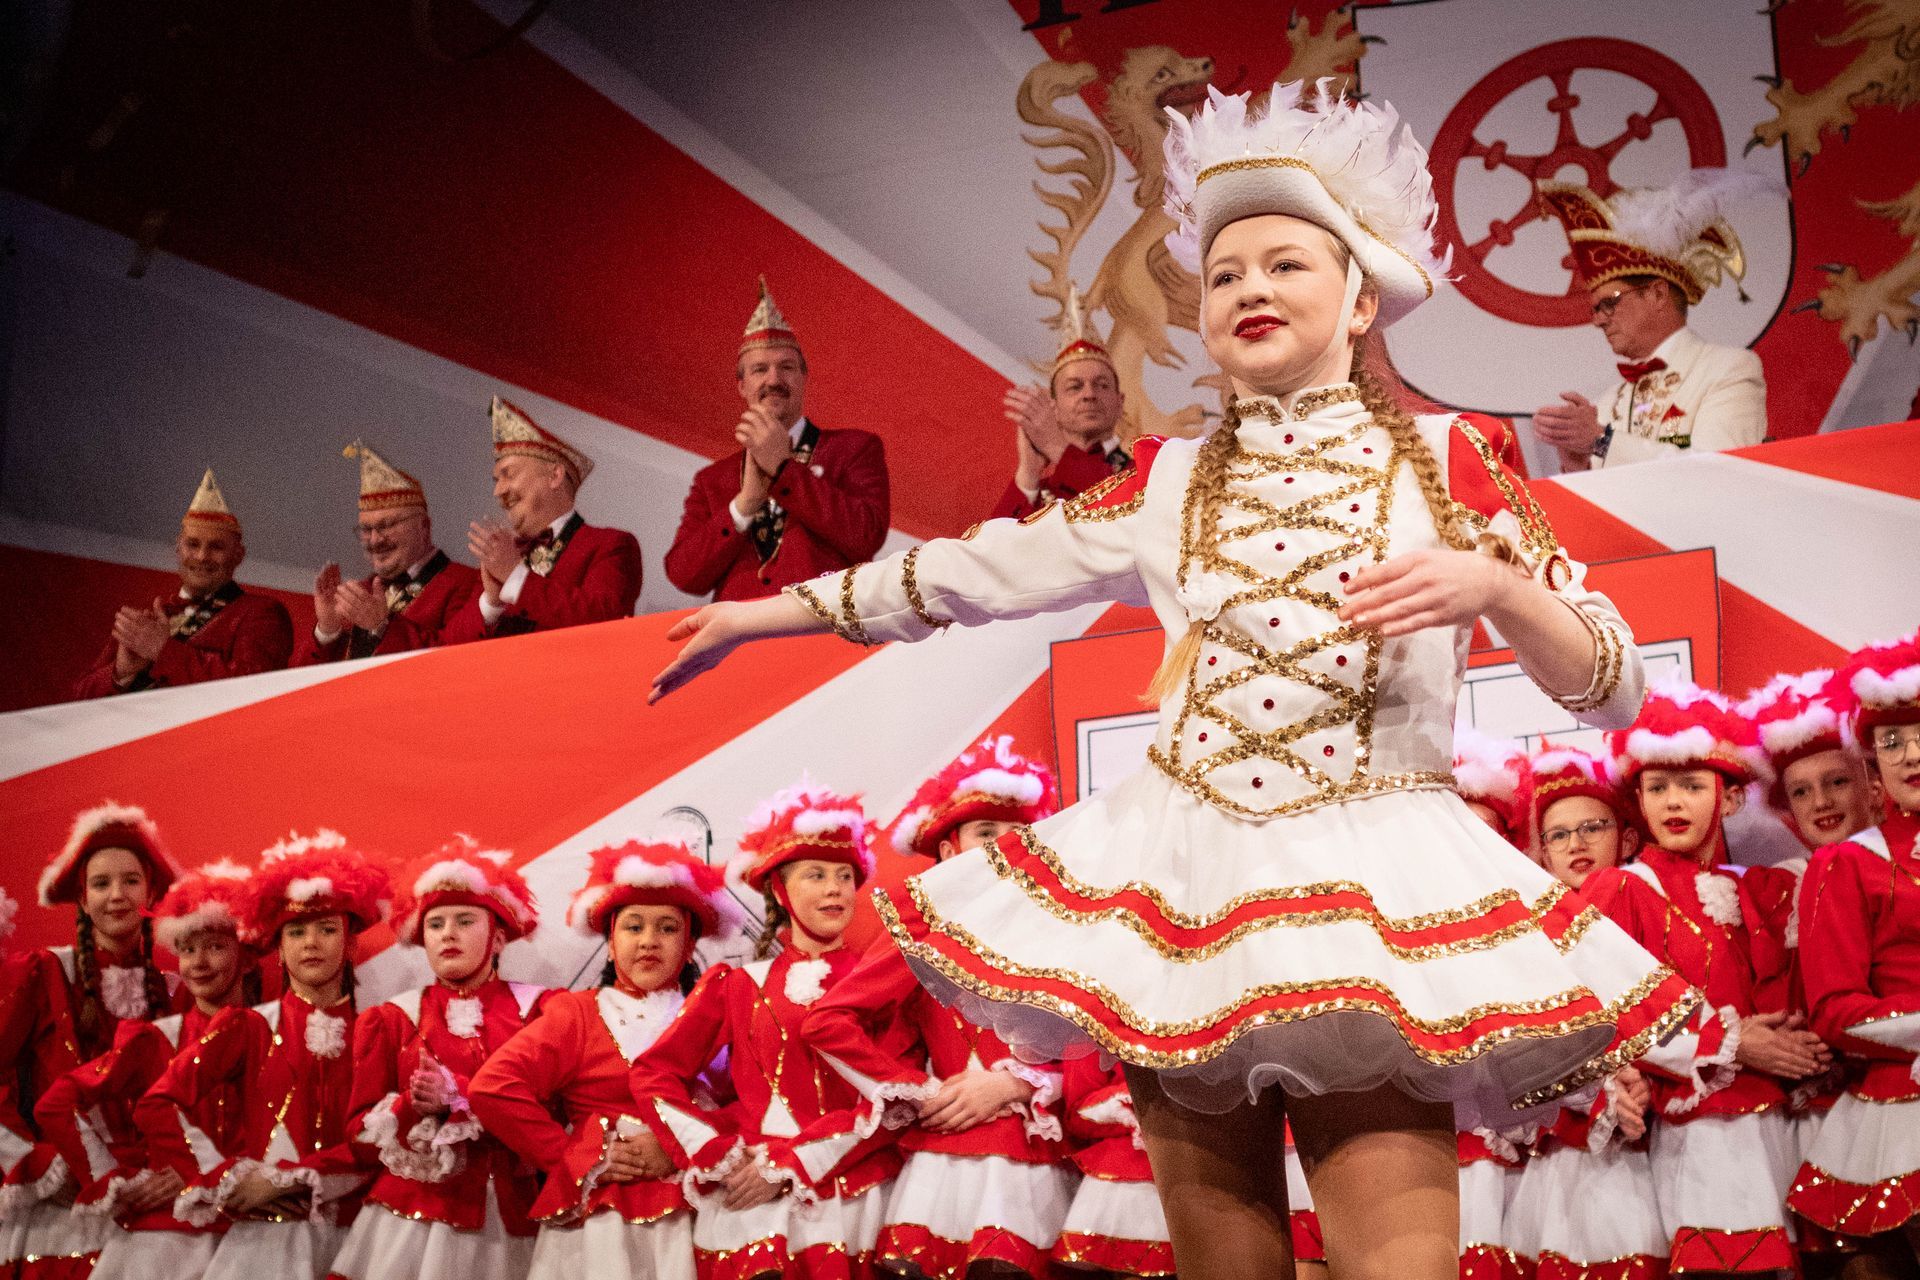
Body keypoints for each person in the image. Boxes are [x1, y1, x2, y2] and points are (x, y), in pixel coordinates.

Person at [648, 81, 1688, 1280]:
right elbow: (971, 571)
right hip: (1185, 892)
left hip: (1373, 887)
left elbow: (1616, 688)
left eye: (1285, 264)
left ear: (1360, 300)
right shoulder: (1167, 479)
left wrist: (1497, 587)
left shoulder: (1457, 458)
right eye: (1225, 273)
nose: (1248, 288)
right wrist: (757, 611)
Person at [801, 736, 1076, 1278]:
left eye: (1019, 832)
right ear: (949, 852)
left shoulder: (1065, 928)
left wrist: (1018, 1084)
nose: (1005, 845)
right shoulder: (919, 927)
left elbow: (1105, 1042)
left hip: (1041, 1152)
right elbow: (829, 1021)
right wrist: (915, 1091)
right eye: (985, 832)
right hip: (944, 1164)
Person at [1586, 681, 1828, 1276]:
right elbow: (1605, 1017)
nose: (1674, 801)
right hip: (1694, 1128)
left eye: (1692, 786)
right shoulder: (1622, 889)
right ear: (1638, 801)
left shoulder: (1764, 889)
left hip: (1779, 1121)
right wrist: (1731, 1042)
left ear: (1731, 798)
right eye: (1658, 787)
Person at [629, 784, 900, 1279]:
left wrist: (794, 1163)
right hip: (753, 1198)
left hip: (857, 1196)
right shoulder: (737, 985)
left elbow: (898, 1098)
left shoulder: (882, 981)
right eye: (816, 875)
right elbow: (653, 1073)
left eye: (845, 876)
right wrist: (713, 1152)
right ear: (779, 890)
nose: (836, 889)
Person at [470, 840, 745, 1279]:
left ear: (690, 944)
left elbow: (756, 1105)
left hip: (704, 1210)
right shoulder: (578, 1014)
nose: (649, 941)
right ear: (612, 945)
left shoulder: (719, 1017)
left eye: (667, 928)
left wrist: (681, 1146)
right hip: (605, 1223)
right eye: (633, 927)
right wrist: (581, 1157)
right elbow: (494, 1088)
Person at [147, 831, 391, 1280]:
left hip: (360, 1237)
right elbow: (159, 1103)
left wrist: (291, 1179)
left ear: (350, 944)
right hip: (267, 1244)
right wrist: (223, 1178)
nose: (310, 943)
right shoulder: (248, 1025)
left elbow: (378, 1140)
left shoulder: (378, 1030)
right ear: (278, 950)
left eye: (327, 929)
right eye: (296, 932)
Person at [327, 838, 552, 1280]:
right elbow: (359, 1137)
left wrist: (461, 1096)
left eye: (465, 921)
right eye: (436, 924)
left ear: (498, 937)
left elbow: (557, 1113)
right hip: (410, 1225)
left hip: (512, 1220)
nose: (448, 933)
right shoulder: (391, 1018)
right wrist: (411, 1106)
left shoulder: (541, 1011)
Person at [37, 862, 258, 1280]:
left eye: (215, 946)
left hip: (254, 1226)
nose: (198, 962)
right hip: (169, 1239)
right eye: (187, 950)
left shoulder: (272, 1033)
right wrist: (111, 1182)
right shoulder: (156, 1039)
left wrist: (213, 1173)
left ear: (246, 957)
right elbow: (56, 1103)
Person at [1503, 744, 1668, 1280]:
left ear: (1627, 839)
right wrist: (1602, 1087)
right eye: (1558, 835)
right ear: (1542, 854)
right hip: (1576, 1145)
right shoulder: (1529, 935)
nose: (1576, 844)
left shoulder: (1648, 901)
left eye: (1592, 827)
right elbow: (1523, 1043)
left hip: (1664, 1130)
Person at [0, 803, 183, 1280]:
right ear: (81, 898)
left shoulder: (177, 990)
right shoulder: (46, 972)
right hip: (66, 1210)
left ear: (151, 892)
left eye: (130, 881)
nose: (117, 895)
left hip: (153, 1207)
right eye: (101, 884)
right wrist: (39, 1166)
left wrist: (180, 1172)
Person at [1788, 633, 1920, 1261]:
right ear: (1873, 765)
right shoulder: (1847, 863)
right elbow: (1835, 1010)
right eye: (1891, 742)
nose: (1911, 755)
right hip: (1904, 1108)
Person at [663, 278, 890, 602]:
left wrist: (784, 470)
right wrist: (745, 504)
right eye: (759, 369)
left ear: (803, 378)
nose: (774, 379)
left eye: (786, 367)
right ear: (742, 386)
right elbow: (683, 575)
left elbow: (866, 536)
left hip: (821, 626)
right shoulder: (711, 480)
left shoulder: (853, 448)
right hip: (738, 632)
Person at [1532, 169, 1771, 471]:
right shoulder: (1607, 403)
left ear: (1657, 295)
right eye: (1595, 309)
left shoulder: (1728, 369)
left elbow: (1722, 470)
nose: (1598, 321)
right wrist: (1577, 464)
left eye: (1609, 303)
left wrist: (1601, 441)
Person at [74, 469, 293, 698]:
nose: (202, 556)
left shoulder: (260, 612)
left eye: (216, 547)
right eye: (193, 544)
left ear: (238, 555)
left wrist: (163, 651)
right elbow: (77, 701)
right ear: (178, 549)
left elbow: (255, 689)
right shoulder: (146, 623)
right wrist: (121, 673)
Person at [442, 398, 642, 642]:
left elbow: (605, 623)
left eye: (508, 474)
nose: (498, 491)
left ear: (555, 476)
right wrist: (491, 602)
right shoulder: (503, 556)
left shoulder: (611, 545)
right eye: (496, 480)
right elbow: (445, 649)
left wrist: (516, 578)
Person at [295, 440, 480, 663]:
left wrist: (381, 626)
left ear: (424, 526)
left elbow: (457, 661)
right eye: (366, 529)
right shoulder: (360, 592)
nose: (375, 539)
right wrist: (327, 628)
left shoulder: (468, 582)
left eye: (387, 525)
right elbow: (303, 679)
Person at [992, 285, 1135, 521]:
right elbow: (991, 542)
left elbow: (1121, 513)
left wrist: (1056, 446)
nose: (1089, 394)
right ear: (1054, 408)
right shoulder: (1041, 491)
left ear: (1120, 403)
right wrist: (1028, 474)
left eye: (1102, 385)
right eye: (1075, 387)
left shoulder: (1142, 474)